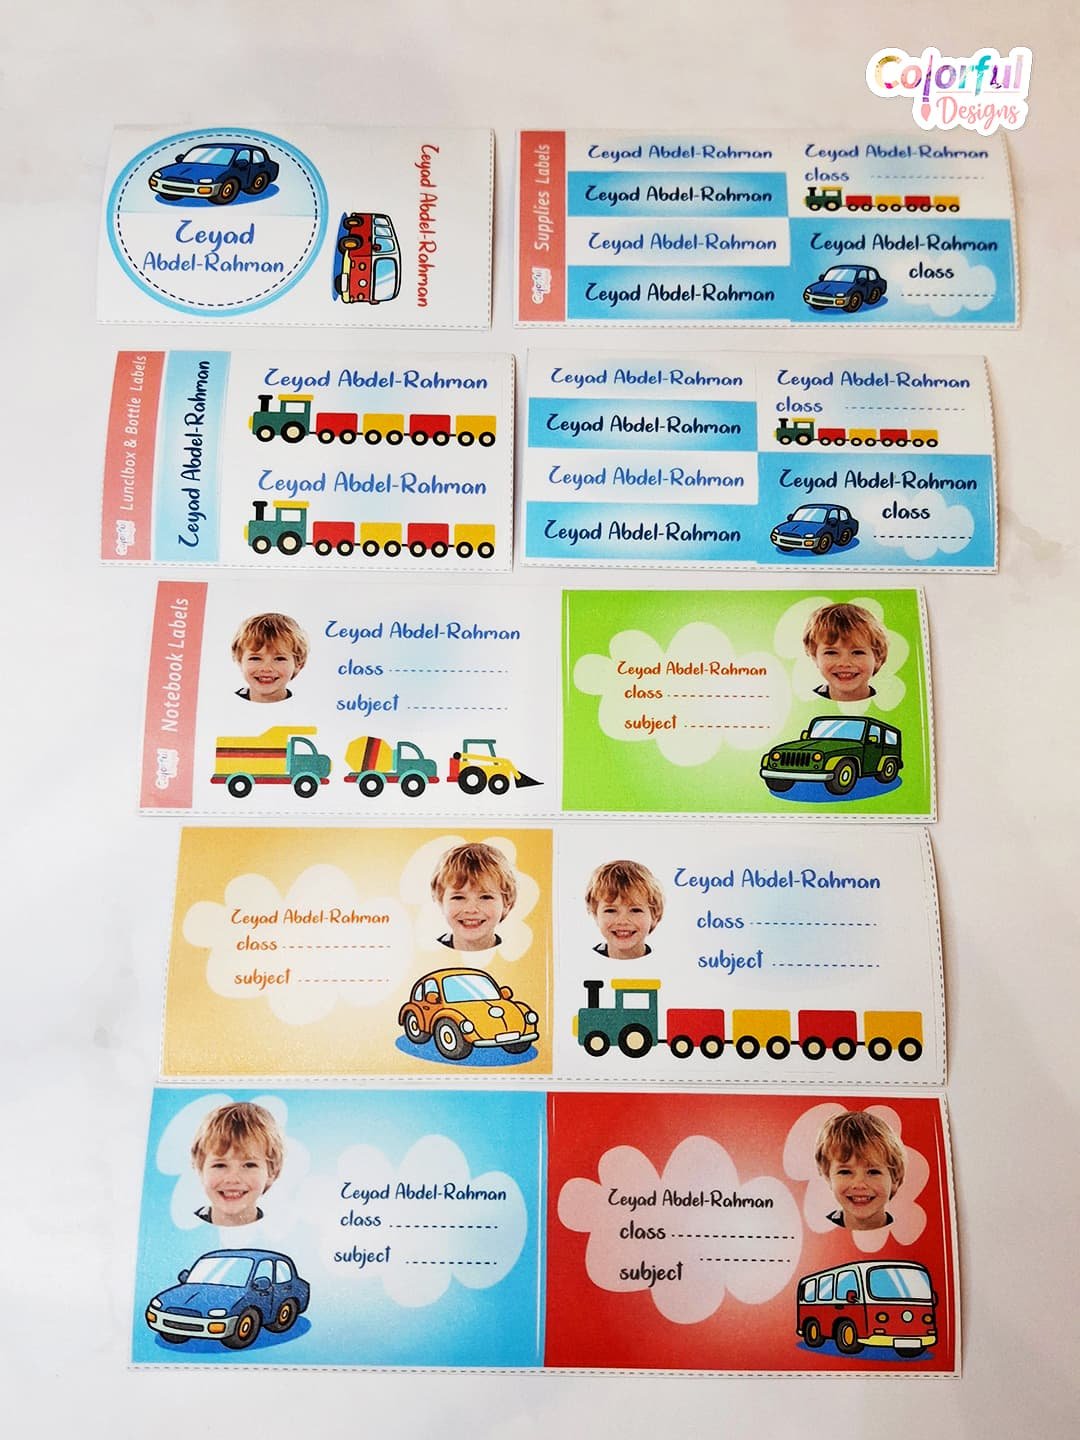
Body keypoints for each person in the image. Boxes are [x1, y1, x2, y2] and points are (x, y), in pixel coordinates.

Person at [191, 1101, 285, 1227]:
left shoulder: (277, 1232)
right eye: (220, 1165)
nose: (232, 1179)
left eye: (249, 1165)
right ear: (200, 1169)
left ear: (272, 1172)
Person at [813, 1110, 905, 1231]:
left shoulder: (907, 1232)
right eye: (845, 1172)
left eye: (873, 1172)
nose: (859, 1184)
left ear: (895, 1179)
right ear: (828, 1177)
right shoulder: (817, 1232)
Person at [431, 842, 517, 952]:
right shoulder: (428, 955)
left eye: (485, 897)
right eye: (458, 897)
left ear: (506, 903)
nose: (471, 909)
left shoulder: (517, 954)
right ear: (440, 902)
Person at [802, 602, 888, 703]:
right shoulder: (806, 704)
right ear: (814, 657)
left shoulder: (888, 702)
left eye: (857, 652)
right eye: (831, 653)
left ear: (877, 658)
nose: (844, 663)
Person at [585, 859, 665, 961]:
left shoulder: (665, 963)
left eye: (635, 910)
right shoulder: (584, 962)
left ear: (654, 916)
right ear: (595, 915)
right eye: (611, 910)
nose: (622, 921)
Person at [231, 612, 309, 703]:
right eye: (255, 658)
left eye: (279, 659)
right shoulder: (225, 704)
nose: (266, 668)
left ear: (298, 664)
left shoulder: (305, 706)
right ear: (239, 660)